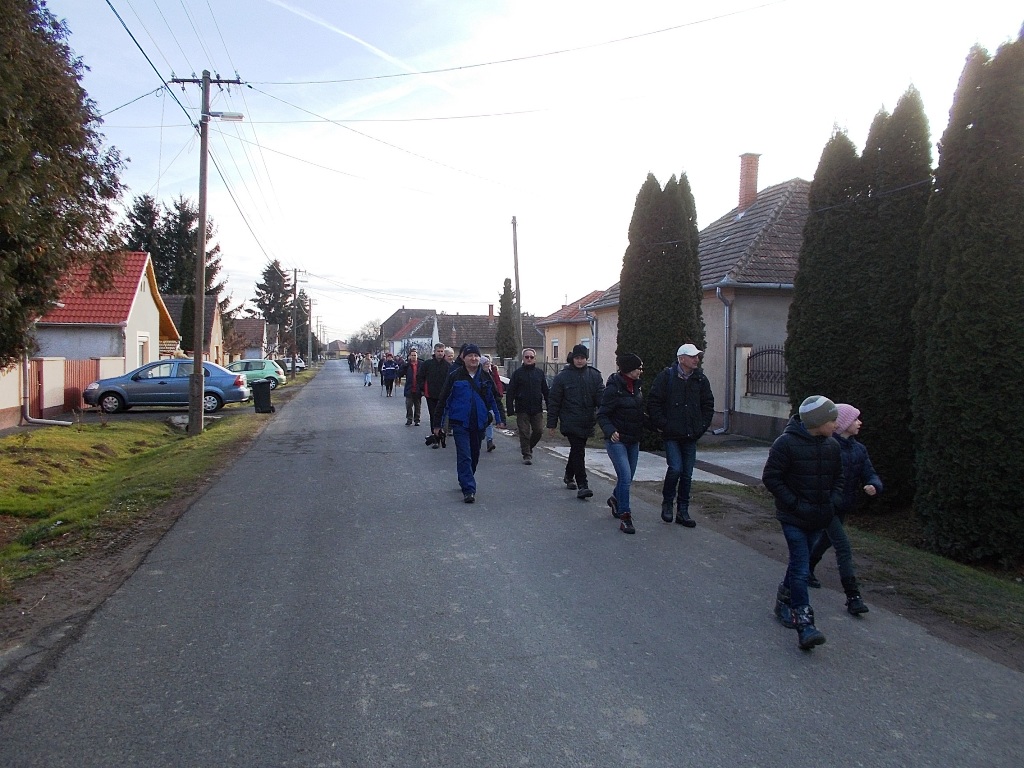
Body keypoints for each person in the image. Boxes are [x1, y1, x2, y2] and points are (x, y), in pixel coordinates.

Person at [762, 395, 843, 651]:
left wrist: (832, 503)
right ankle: (805, 623)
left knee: (801, 562)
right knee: (800, 566)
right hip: (793, 518)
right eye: (832, 420)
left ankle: (783, 601)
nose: (836, 425)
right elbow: (771, 478)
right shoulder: (786, 444)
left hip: (819, 517)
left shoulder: (832, 446)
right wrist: (794, 504)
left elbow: (839, 478)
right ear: (818, 422)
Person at [807, 403, 882, 616]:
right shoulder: (828, 447)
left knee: (827, 540)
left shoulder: (859, 450)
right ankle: (853, 596)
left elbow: (870, 473)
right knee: (843, 546)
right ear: (842, 423)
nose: (859, 423)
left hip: (843, 505)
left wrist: (874, 485)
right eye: (855, 419)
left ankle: (807, 568)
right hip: (826, 505)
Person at [647, 343, 715, 527]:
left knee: (687, 474)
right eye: (692, 356)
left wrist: (701, 427)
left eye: (697, 356)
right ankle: (667, 503)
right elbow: (654, 402)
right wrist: (664, 424)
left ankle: (683, 511)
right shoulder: (666, 377)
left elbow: (708, 405)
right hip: (671, 434)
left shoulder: (700, 379)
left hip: (691, 434)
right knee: (675, 468)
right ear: (681, 359)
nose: (696, 359)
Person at [434, 344, 505, 503]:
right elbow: (444, 400)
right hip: (460, 423)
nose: (473, 358)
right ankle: (469, 489)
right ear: (463, 358)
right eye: (470, 355)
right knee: (464, 455)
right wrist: (438, 424)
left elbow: (494, 399)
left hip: (479, 424)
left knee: (474, 455)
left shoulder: (485, 377)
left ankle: (466, 476)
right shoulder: (455, 376)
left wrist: (500, 419)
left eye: (476, 356)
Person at [547, 344, 604, 500]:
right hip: (570, 420)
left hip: (587, 420)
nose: (580, 361)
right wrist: (552, 423)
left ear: (586, 359)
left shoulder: (594, 375)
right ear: (573, 358)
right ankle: (583, 485)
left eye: (582, 358)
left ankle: (568, 475)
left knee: (577, 449)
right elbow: (554, 401)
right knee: (579, 450)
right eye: (577, 358)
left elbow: (601, 397)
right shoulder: (562, 377)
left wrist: (605, 415)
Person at [597, 353, 645, 535]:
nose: (640, 371)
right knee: (625, 477)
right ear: (629, 369)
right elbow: (602, 414)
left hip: (633, 439)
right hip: (617, 440)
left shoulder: (637, 388)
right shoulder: (613, 389)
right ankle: (625, 518)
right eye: (638, 368)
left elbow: (639, 414)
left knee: (628, 477)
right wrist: (610, 431)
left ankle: (615, 499)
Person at [505, 348, 549, 465]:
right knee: (524, 432)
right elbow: (510, 392)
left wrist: (550, 406)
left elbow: (545, 391)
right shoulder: (517, 374)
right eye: (527, 357)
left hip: (537, 408)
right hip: (522, 408)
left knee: (538, 431)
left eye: (531, 357)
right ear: (523, 359)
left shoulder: (539, 373)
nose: (529, 359)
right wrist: (510, 408)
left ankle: (528, 447)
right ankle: (527, 455)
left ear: (535, 359)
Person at [418, 343, 450, 444]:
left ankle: (441, 434)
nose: (440, 353)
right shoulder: (427, 364)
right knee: (433, 415)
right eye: (438, 351)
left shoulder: (448, 366)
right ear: (434, 352)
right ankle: (435, 435)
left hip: (443, 395)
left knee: (442, 415)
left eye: (441, 351)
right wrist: (422, 389)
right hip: (430, 394)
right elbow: (420, 377)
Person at [481, 355, 507, 452]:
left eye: (488, 363)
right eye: (486, 364)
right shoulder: (477, 376)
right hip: (479, 405)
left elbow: (497, 383)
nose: (488, 365)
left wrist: (499, 393)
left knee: (489, 421)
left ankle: (490, 441)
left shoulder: (490, 374)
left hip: (489, 404)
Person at [402, 348, 423, 426]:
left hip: (418, 388)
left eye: (415, 355)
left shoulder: (421, 364)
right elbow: (400, 373)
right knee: (408, 405)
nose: (413, 357)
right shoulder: (407, 365)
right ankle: (409, 419)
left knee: (418, 406)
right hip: (409, 388)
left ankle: (417, 420)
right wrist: (403, 366)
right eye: (412, 355)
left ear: (417, 356)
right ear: (409, 356)